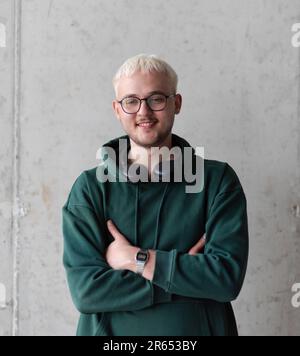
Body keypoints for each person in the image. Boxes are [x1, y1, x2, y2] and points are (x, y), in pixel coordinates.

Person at [62, 54, 249, 336]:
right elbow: (87, 292)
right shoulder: (90, 188)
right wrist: (182, 276)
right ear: (117, 109)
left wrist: (136, 259)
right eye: (131, 101)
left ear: (176, 103)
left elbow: (225, 280)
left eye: (156, 99)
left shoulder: (217, 181)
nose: (144, 112)